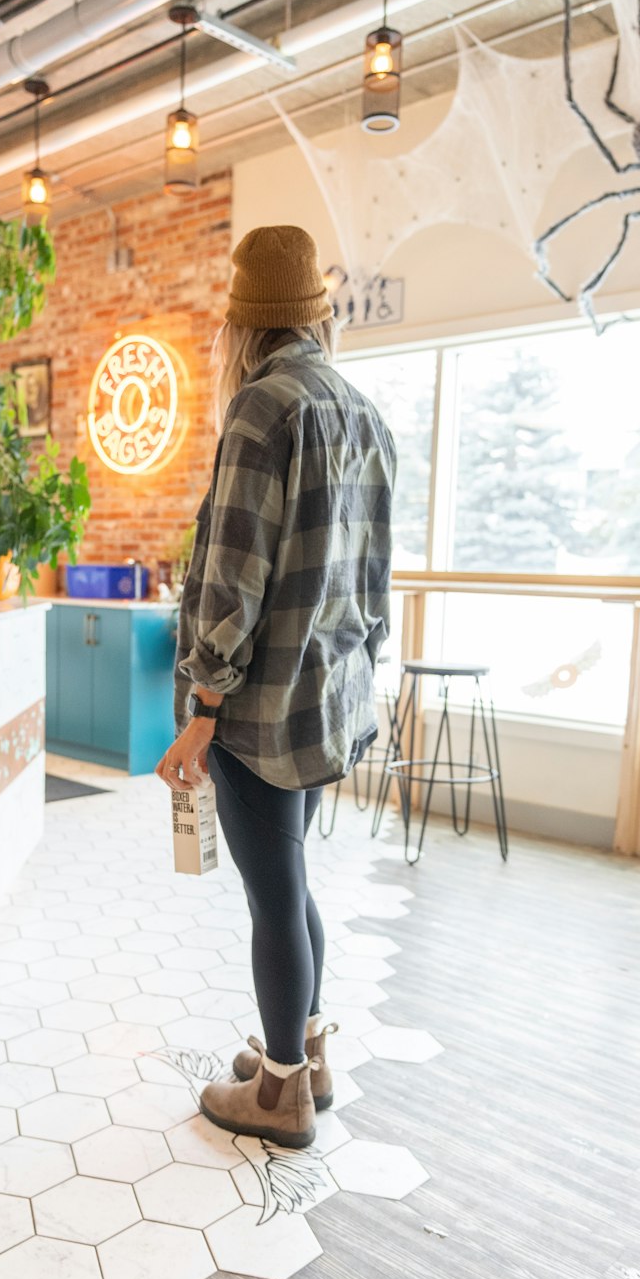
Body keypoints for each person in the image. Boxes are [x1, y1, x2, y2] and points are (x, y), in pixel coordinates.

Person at [156, 225, 395, 1149]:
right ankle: (309, 1053)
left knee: (273, 897)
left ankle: (281, 1092)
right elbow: (374, 584)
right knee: (290, 886)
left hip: (256, 707)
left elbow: (232, 578)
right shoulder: (363, 411)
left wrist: (201, 709)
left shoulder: (262, 408)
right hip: (326, 700)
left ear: (243, 327)